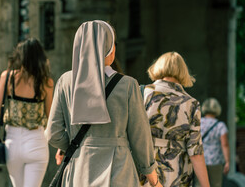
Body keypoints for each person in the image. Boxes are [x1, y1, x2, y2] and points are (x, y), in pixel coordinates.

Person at [45, 20, 162, 187]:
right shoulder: (128, 85)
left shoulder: (66, 81)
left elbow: (53, 133)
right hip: (119, 171)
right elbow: (140, 137)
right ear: (111, 49)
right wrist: (154, 180)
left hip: (79, 171)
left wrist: (78, 146)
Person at [140, 51, 210, 187]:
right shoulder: (191, 103)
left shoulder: (141, 93)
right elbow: (195, 152)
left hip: (144, 169)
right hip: (178, 173)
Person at [0, 38, 54, 187]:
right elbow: (50, 115)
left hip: (13, 142)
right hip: (36, 140)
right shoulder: (46, 82)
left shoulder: (7, 77)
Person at [194, 98, 230, 187]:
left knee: (200, 185)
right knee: (216, 184)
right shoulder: (220, 125)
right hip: (215, 161)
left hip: (200, 160)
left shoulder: (198, 123)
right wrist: (227, 161)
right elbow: (224, 144)